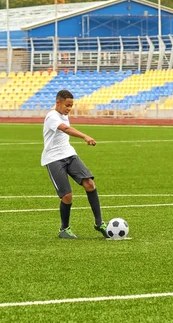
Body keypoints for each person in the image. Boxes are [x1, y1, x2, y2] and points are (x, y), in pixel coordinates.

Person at [41, 89, 109, 239]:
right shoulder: (52, 116)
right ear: (58, 102)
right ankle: (64, 229)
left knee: (90, 184)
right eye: (67, 105)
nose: (69, 109)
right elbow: (65, 129)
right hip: (53, 158)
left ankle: (99, 223)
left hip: (69, 154)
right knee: (67, 196)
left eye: (71, 106)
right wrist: (85, 136)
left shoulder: (64, 115)